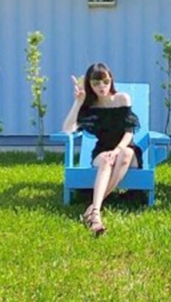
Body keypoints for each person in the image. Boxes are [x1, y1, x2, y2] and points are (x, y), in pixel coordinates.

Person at [61, 62, 143, 236]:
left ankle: (92, 208)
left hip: (126, 147)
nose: (102, 86)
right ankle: (96, 215)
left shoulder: (122, 99)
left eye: (105, 81)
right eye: (96, 83)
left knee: (126, 153)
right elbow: (68, 129)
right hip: (102, 151)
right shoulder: (90, 107)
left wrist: (117, 149)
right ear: (89, 85)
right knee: (106, 159)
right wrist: (78, 102)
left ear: (111, 80)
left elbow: (129, 131)